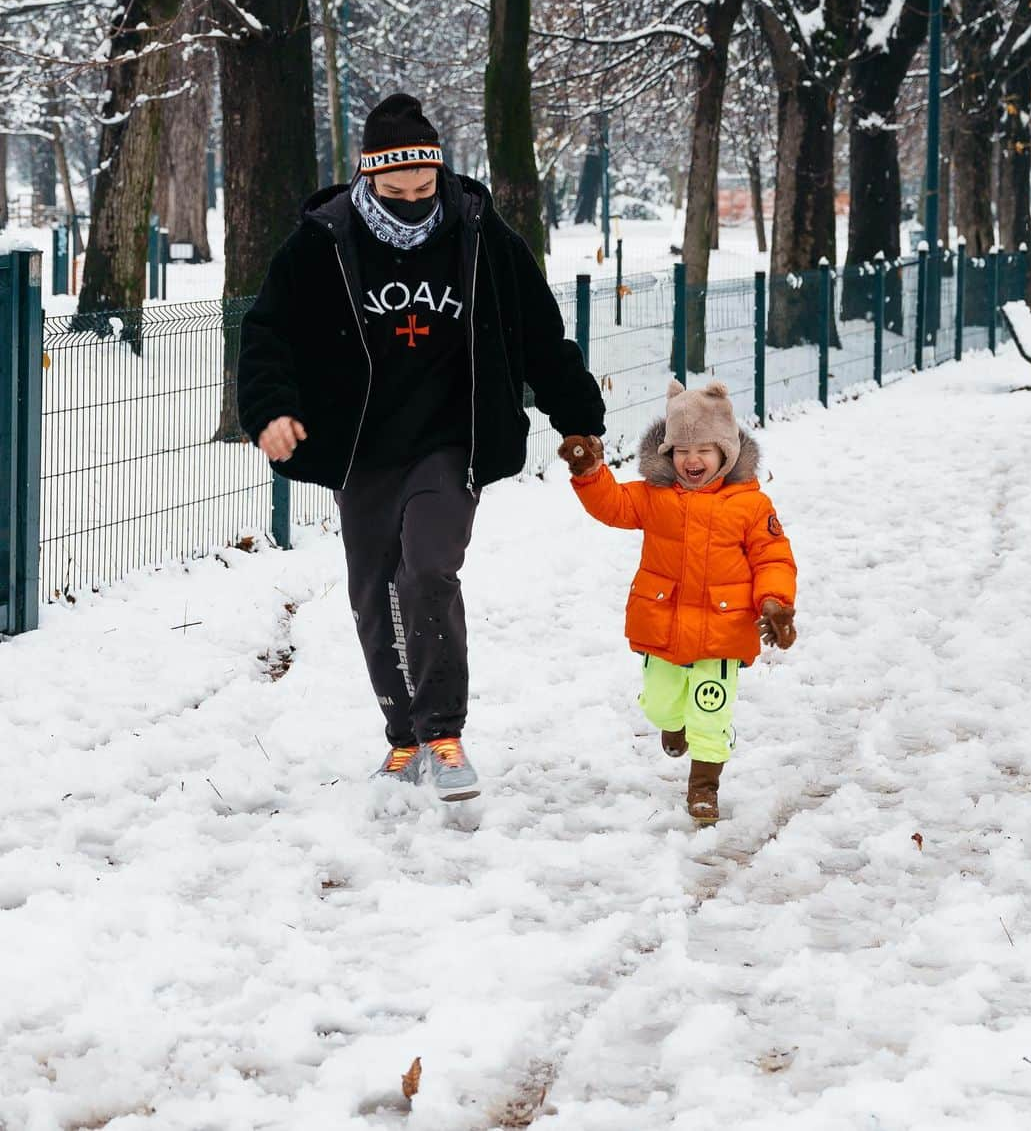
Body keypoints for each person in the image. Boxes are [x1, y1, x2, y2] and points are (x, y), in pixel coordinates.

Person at [237, 94, 604, 801]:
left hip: (449, 442)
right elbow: (269, 332)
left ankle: (445, 732)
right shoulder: (325, 239)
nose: (411, 203)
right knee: (374, 594)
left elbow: (537, 331)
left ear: (440, 171)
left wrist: (577, 416)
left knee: (427, 571)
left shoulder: (478, 232)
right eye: (394, 192)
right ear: (367, 181)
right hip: (363, 449)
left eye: (423, 188)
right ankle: (403, 740)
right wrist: (271, 409)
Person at [557, 379, 797, 823]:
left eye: (704, 450)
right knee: (660, 703)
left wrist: (776, 604)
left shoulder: (750, 505)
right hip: (663, 625)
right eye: (683, 450)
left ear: (725, 452)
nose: (692, 460)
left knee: (711, 711)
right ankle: (674, 722)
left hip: (723, 631)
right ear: (669, 453)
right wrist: (590, 472)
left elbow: (773, 557)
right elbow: (613, 505)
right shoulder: (655, 497)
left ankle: (703, 788)